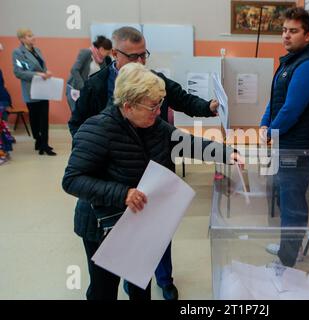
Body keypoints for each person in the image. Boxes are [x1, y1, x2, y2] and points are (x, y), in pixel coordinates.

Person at [62, 63, 241, 300]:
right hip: (102, 226)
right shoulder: (97, 129)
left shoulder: (154, 126)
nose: (159, 111)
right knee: (104, 289)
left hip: (139, 222)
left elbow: (186, 142)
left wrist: (227, 153)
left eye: (159, 104)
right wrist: (122, 193)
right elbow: (72, 180)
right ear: (128, 106)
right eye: (153, 106)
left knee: (139, 283)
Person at [260, 7, 309, 267]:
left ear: (308, 35)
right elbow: (276, 99)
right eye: (284, 30)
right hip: (286, 142)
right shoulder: (290, 60)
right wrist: (265, 123)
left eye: (293, 31)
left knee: (292, 203)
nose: (286, 36)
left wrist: (272, 132)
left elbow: (291, 109)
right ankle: (289, 246)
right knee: (287, 197)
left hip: (300, 147)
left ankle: (288, 259)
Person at [12, 28, 56, 156]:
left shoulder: (37, 50)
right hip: (31, 90)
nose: (33, 37)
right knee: (35, 119)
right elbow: (19, 72)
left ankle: (45, 145)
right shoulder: (18, 53)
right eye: (29, 36)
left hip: (43, 88)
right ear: (22, 39)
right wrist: (37, 74)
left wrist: (46, 72)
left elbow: (43, 67)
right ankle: (38, 139)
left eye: (32, 35)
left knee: (44, 118)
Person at [66, 35, 112, 112]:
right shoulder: (86, 53)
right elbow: (74, 70)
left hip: (88, 91)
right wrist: (82, 87)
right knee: (77, 114)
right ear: (101, 49)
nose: (108, 55)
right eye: (107, 52)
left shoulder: (102, 60)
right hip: (76, 89)